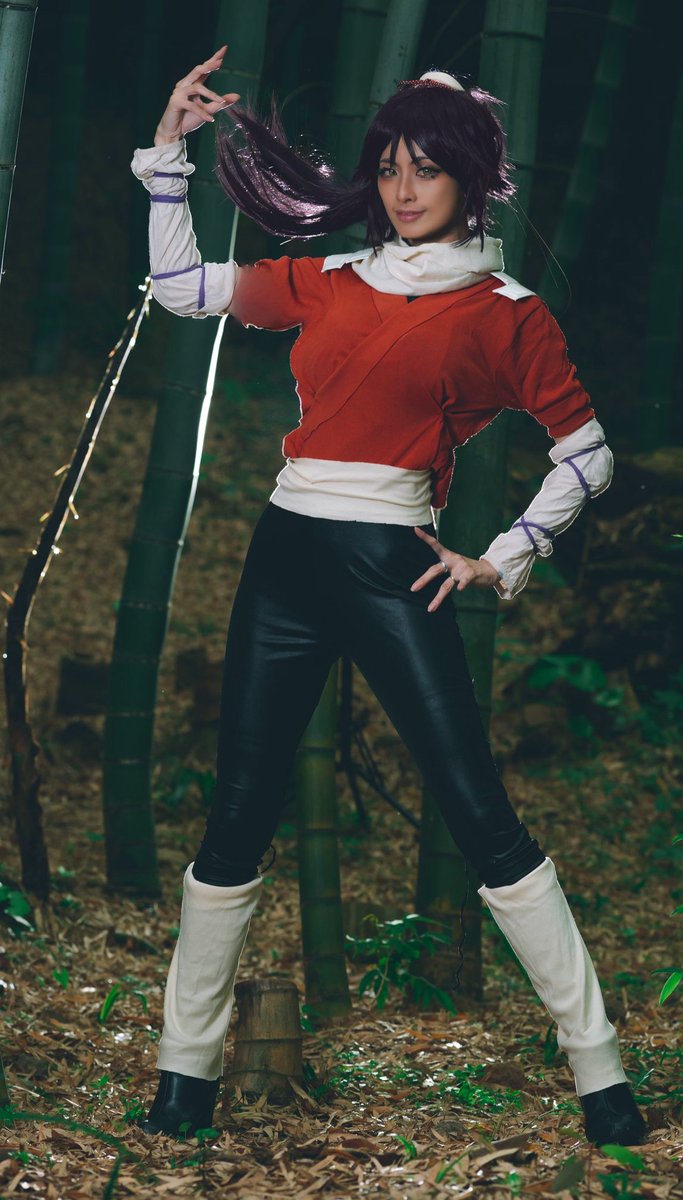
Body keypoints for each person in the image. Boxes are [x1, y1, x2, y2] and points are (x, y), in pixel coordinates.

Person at [130, 44, 646, 1146]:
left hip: (391, 563)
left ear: (470, 177)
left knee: (477, 811)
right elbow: (180, 291)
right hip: (284, 555)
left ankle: (602, 1075)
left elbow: (587, 453)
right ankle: (183, 1078)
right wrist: (168, 158)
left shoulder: (505, 312)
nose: (405, 190)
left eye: (428, 169)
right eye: (390, 168)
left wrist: (501, 556)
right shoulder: (331, 278)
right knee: (238, 813)